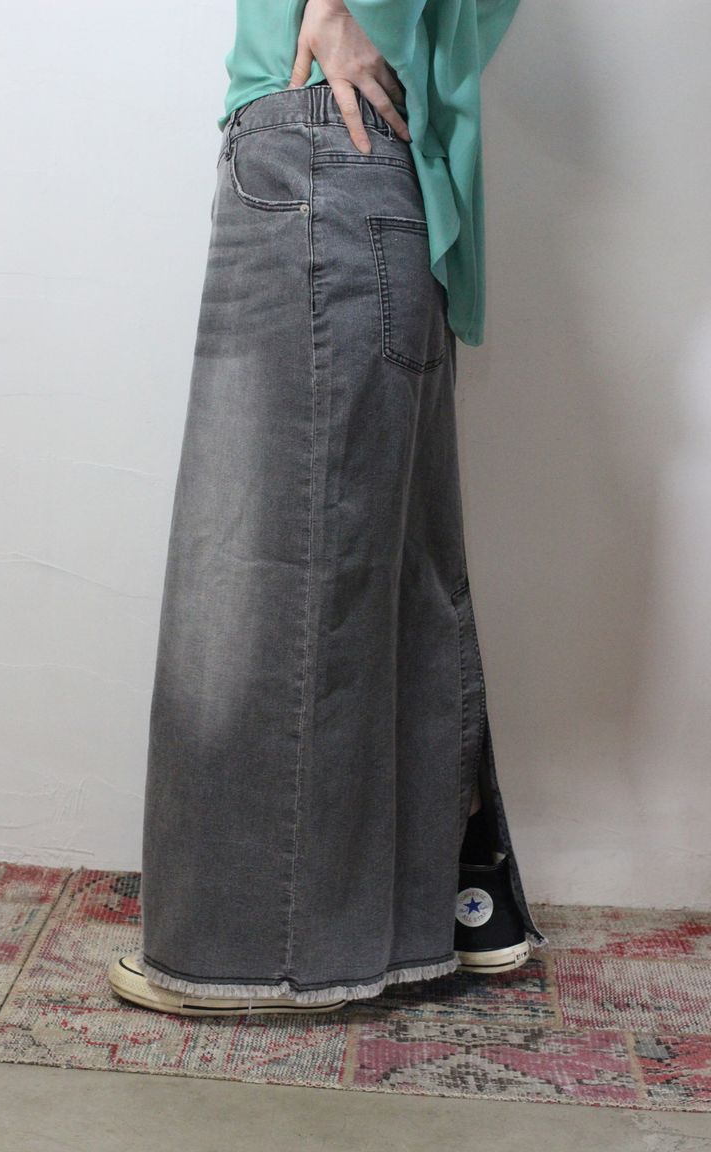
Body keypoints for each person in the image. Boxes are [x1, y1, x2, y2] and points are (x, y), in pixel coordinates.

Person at [108, 0, 549, 1017]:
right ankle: (427, 923)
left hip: (313, 147)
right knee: (388, 573)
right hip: (377, 169)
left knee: (262, 571)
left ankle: (254, 957)